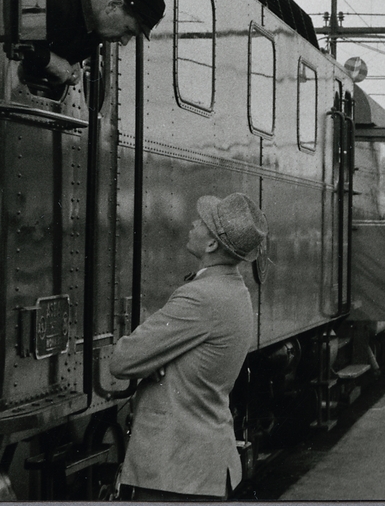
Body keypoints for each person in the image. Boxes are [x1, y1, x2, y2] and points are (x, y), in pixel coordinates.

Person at [110, 193, 267, 500]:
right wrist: (160, 361)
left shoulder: (200, 297)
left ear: (211, 245)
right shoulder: (235, 291)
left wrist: (154, 360)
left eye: (201, 222)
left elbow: (122, 360)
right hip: (199, 468)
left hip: (176, 473)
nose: (193, 223)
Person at [23, 0, 165, 85]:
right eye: (128, 30)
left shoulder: (91, 34)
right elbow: (12, 34)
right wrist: (48, 60)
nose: (124, 41)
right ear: (114, 5)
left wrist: (70, 64)